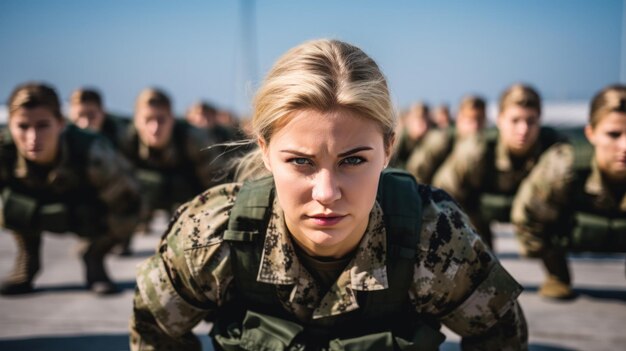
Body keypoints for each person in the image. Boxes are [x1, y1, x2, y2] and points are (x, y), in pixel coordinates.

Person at [129, 39, 527, 350]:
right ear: (265, 151)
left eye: (352, 161)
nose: (326, 192)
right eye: (301, 162)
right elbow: (155, 330)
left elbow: (499, 336)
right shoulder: (211, 239)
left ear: (388, 149)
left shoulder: (434, 238)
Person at [0, 82, 141, 295]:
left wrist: (101, 245)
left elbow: (131, 202)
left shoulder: (93, 151)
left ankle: (94, 261)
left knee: (125, 209)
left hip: (83, 211)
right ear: (9, 125)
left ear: (61, 123)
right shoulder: (4, 151)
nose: (33, 138)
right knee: (8, 205)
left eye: (42, 125)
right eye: (23, 126)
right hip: (29, 206)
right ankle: (27, 258)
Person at [511, 84, 626, 300]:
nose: (625, 145)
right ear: (591, 133)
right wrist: (552, 262)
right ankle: (557, 276)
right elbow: (526, 217)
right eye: (614, 134)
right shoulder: (563, 165)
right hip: (571, 235)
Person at [433, 84, 563, 248]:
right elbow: (442, 194)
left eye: (531, 121)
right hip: (477, 210)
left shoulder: (554, 149)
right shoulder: (475, 150)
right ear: (500, 120)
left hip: (535, 217)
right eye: (515, 120)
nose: (523, 129)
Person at [119, 88, 225, 235]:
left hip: (186, 196)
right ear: (137, 121)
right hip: (144, 194)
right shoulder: (126, 141)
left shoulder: (194, 139)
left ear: (172, 119)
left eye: (161, 120)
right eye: (148, 120)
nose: (155, 128)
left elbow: (217, 186)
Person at [406, 95, 486, 184]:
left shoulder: (485, 144)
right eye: (470, 120)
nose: (475, 126)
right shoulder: (441, 140)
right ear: (459, 118)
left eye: (480, 120)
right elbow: (415, 172)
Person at [389, 102, 432, 169]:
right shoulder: (400, 137)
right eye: (420, 122)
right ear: (410, 121)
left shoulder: (429, 138)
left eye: (427, 122)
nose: (424, 126)